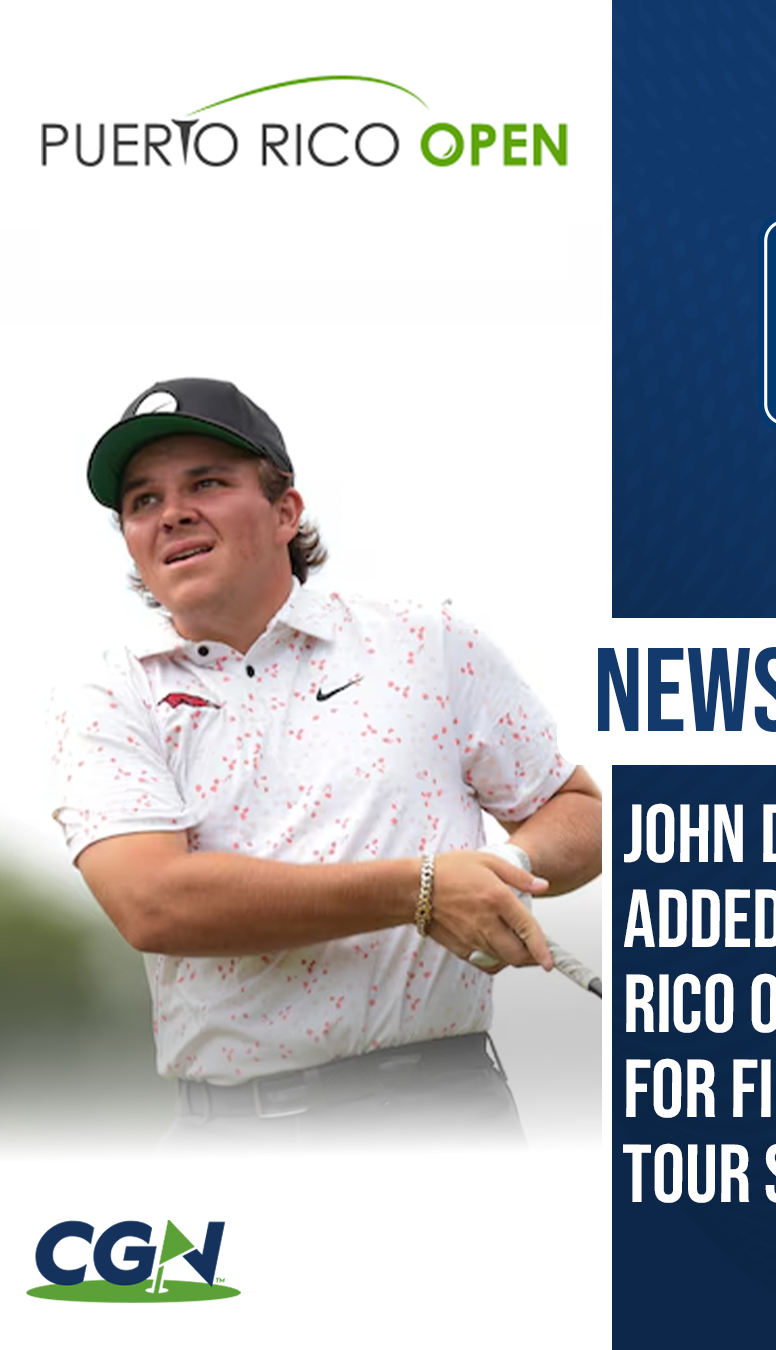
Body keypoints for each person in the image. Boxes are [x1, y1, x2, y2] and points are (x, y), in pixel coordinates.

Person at [51, 377, 602, 1150]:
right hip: (233, 1143)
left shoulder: (426, 643)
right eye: (142, 501)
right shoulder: (111, 694)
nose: (171, 511)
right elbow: (154, 904)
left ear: (286, 512)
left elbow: (577, 813)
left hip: (447, 1118)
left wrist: (501, 868)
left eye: (206, 482)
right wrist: (424, 891)